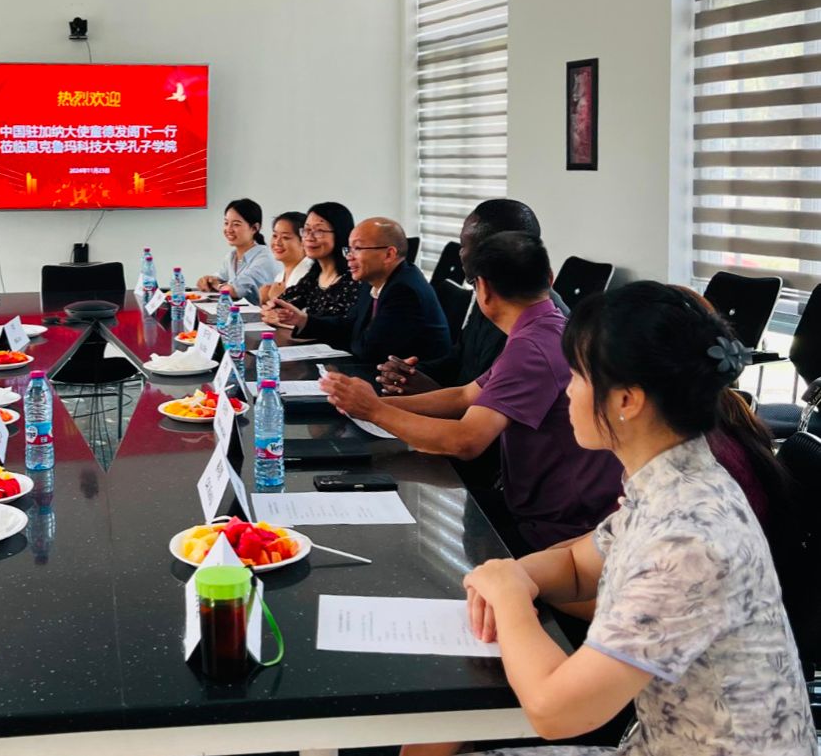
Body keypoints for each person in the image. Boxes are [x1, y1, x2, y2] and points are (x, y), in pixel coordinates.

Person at [402, 283, 814, 756]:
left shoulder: (688, 538)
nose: (567, 391)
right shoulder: (673, 480)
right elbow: (578, 565)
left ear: (626, 401)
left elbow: (557, 712)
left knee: (436, 734)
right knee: (435, 732)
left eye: (577, 376)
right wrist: (512, 573)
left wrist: (509, 593)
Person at [322, 232, 623, 552]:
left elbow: (466, 441)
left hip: (559, 527)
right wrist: (376, 403)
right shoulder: (547, 325)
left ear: (483, 289)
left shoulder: (532, 347)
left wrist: (374, 411)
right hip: (553, 505)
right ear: (549, 278)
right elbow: (465, 395)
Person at [377, 199, 566, 397]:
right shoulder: (490, 295)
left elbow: (490, 406)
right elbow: (460, 358)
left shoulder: (540, 332)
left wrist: (430, 391)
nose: (460, 253)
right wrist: (409, 374)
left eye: (464, 245)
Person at [263, 217, 450, 364]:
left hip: (410, 388)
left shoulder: (403, 291)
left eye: (358, 248)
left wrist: (345, 337)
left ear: (389, 254)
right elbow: (350, 325)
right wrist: (303, 320)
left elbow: (369, 350)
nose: (349, 257)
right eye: (349, 249)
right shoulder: (374, 280)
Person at [267, 202, 360, 322]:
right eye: (306, 230)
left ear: (339, 233)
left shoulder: (353, 279)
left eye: (319, 231)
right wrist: (272, 309)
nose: (309, 237)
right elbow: (279, 306)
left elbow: (346, 327)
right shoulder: (313, 277)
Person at [195, 198, 279, 305]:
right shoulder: (231, 256)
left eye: (236, 224)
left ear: (254, 228)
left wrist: (218, 285)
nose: (229, 229)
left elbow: (234, 290)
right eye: (226, 223)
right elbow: (219, 278)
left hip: (262, 314)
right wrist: (207, 280)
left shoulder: (265, 258)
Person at [257, 211, 312, 305]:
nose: (277, 242)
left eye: (285, 237)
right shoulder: (280, 277)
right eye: (275, 236)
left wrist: (277, 299)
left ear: (304, 241)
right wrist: (265, 301)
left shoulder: (310, 275)